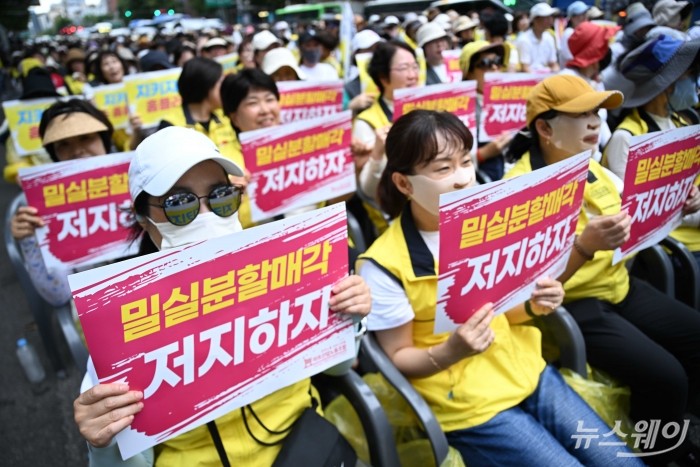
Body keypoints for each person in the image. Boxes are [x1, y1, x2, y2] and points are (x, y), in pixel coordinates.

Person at [73, 126, 371, 466]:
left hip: (310, 450)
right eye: (179, 204)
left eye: (221, 197)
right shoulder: (126, 320)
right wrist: (104, 443)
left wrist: (351, 316)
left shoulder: (284, 268)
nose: (206, 217)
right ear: (143, 219)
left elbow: (339, 367)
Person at [358, 109, 642, 466]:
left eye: (465, 161)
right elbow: (398, 357)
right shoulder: (384, 265)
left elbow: (506, 310)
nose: (462, 179)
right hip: (468, 406)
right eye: (443, 169)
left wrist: (537, 304)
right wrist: (451, 351)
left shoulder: (490, 223)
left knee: (620, 461)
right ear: (404, 183)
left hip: (525, 369)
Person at [505, 74, 700, 465]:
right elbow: (523, 290)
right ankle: (657, 455)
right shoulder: (519, 190)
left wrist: (678, 201)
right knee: (666, 375)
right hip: (572, 306)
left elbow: (632, 222)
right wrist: (582, 248)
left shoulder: (591, 166)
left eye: (596, 112)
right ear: (544, 128)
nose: (595, 122)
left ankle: (677, 432)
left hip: (619, 286)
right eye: (581, 115)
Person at [603, 34, 700, 269]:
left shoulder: (685, 124)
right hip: (674, 251)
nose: (695, 84)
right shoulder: (628, 138)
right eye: (689, 76)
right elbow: (635, 215)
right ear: (667, 84)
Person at [10, 99, 116, 306]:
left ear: (104, 140)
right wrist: (30, 241)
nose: (77, 150)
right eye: (63, 144)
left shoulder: (140, 181)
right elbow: (56, 294)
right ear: (53, 153)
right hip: (95, 310)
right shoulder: (38, 205)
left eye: (85, 138)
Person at [352, 41, 420, 201]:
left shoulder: (428, 108)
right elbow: (369, 190)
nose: (413, 75)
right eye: (404, 68)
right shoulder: (366, 122)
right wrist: (377, 153)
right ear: (383, 78)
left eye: (415, 66)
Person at [459, 40, 513, 181]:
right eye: (485, 64)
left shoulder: (511, 97)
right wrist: (484, 153)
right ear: (469, 73)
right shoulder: (462, 108)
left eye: (498, 61)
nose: (495, 67)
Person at [561, 22, 617, 151]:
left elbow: (602, 124)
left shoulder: (595, 82)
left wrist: (612, 151)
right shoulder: (568, 81)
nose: (606, 51)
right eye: (603, 46)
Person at [516, 3, 560, 73]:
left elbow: (553, 64)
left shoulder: (549, 38)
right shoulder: (524, 39)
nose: (550, 20)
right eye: (546, 17)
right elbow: (525, 68)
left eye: (551, 16)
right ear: (535, 20)